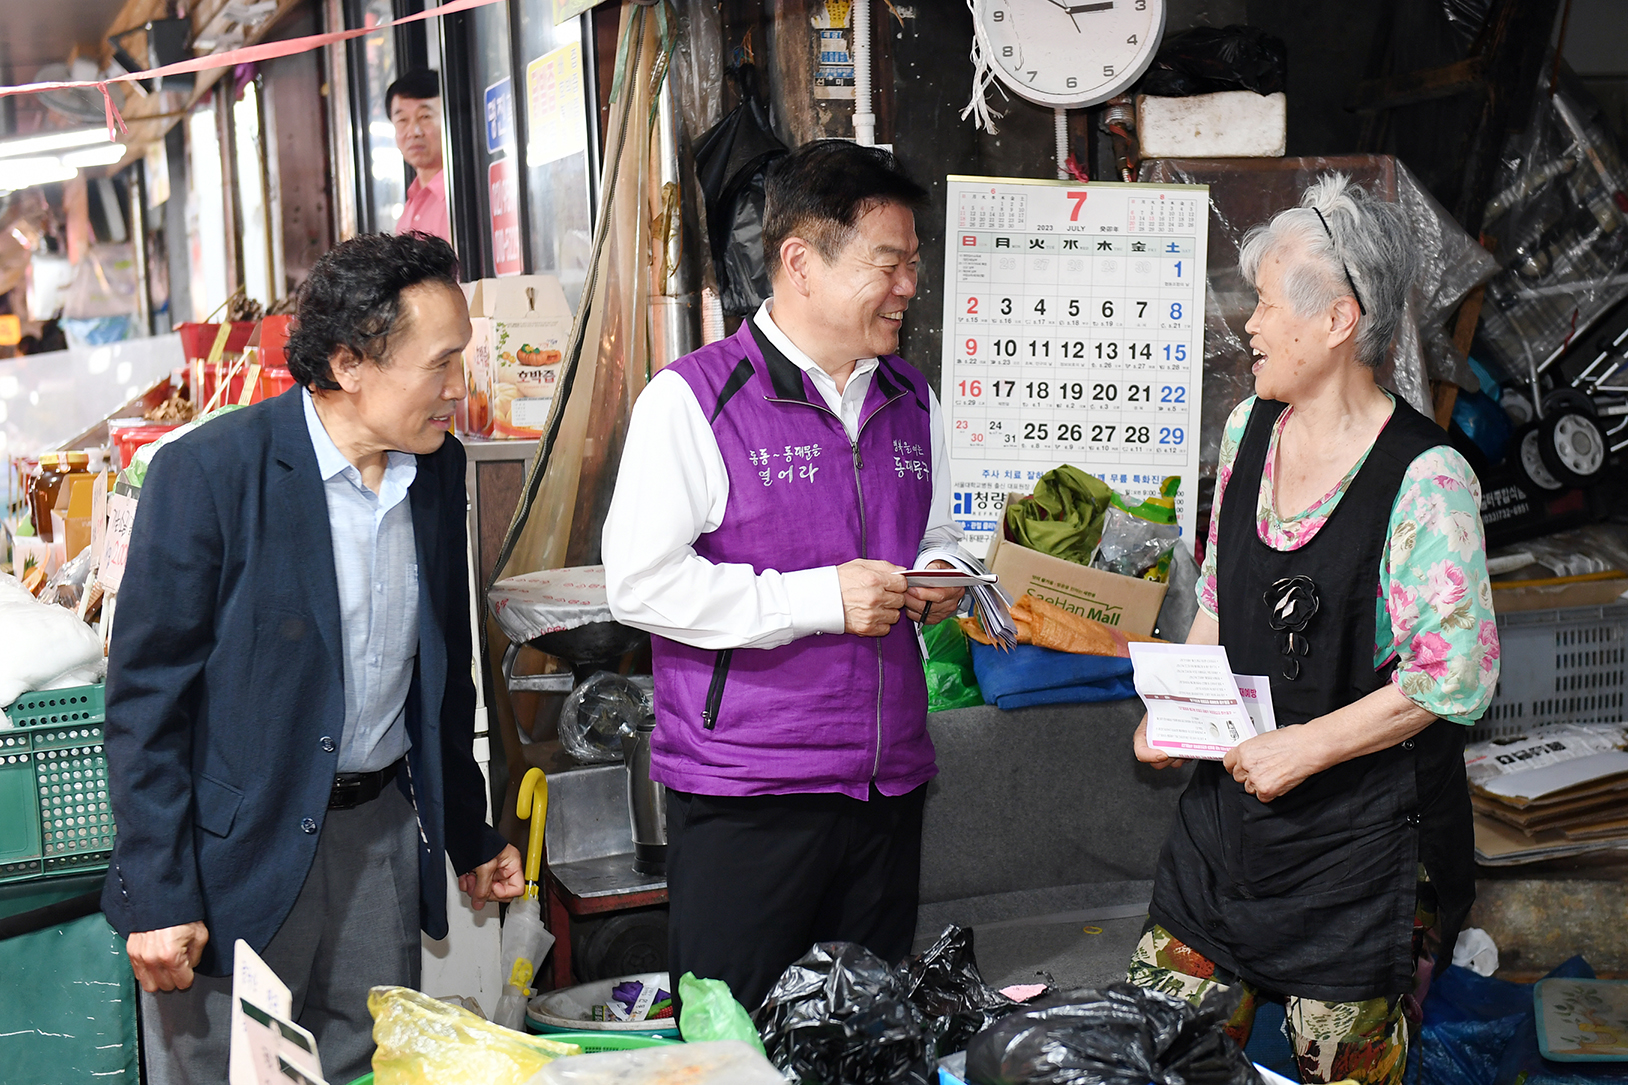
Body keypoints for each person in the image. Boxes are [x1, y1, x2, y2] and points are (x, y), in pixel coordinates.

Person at [102, 232, 523, 1085]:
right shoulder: (209, 474)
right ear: (349, 363)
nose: (459, 387)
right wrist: (160, 889)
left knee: (368, 1068)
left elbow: (442, 670)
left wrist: (468, 830)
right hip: (234, 857)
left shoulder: (436, 471)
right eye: (440, 364)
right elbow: (146, 701)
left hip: (376, 843)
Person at [1126, 175, 1499, 1085]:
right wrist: (1175, 710)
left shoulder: (1428, 478)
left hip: (1361, 843)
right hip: (1228, 828)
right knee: (1151, 1045)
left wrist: (1304, 749)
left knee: (1337, 1063)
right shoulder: (1247, 430)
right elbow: (1221, 592)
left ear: (1338, 321)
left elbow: (1450, 678)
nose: (1248, 325)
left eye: (1264, 304)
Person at [603, 140, 968, 1013]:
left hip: (887, 785)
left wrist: (944, 572)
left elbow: (938, 530)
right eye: (888, 263)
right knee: (737, 1042)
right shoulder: (692, 400)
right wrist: (819, 599)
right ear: (800, 263)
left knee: (867, 1040)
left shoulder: (911, 397)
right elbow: (639, 583)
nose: (908, 286)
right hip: (749, 793)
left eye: (914, 264)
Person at [388, 69, 451, 243]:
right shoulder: (411, 205)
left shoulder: (460, 196)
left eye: (425, 117)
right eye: (402, 120)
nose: (414, 132)